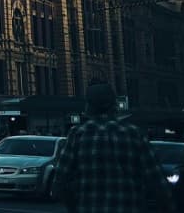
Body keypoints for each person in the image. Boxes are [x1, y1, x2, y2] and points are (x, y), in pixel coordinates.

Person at [55, 82, 172, 213]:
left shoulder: (77, 134)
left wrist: (73, 207)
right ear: (114, 106)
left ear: (89, 106)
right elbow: (157, 181)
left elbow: (59, 182)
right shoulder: (134, 133)